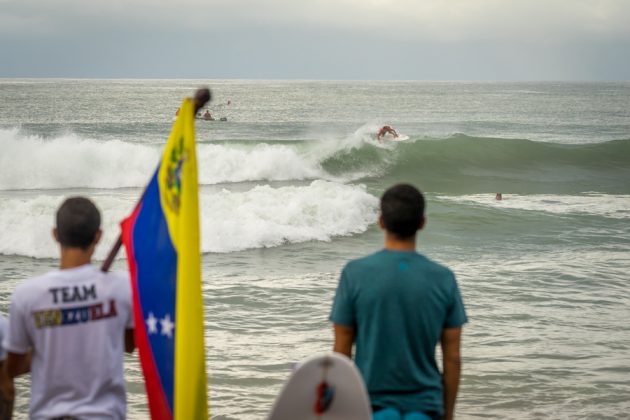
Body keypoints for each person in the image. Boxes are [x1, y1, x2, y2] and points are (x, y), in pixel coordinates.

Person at [330, 184, 467, 420]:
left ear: (381, 221)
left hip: (370, 406)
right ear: (422, 223)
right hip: (425, 407)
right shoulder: (443, 278)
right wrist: (448, 415)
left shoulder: (355, 273)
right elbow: (452, 357)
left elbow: (342, 352)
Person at [3, 197, 135, 419]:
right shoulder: (122, 288)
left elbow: (13, 368)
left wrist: (47, 343)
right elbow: (129, 345)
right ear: (98, 236)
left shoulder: (28, 295)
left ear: (55, 234)